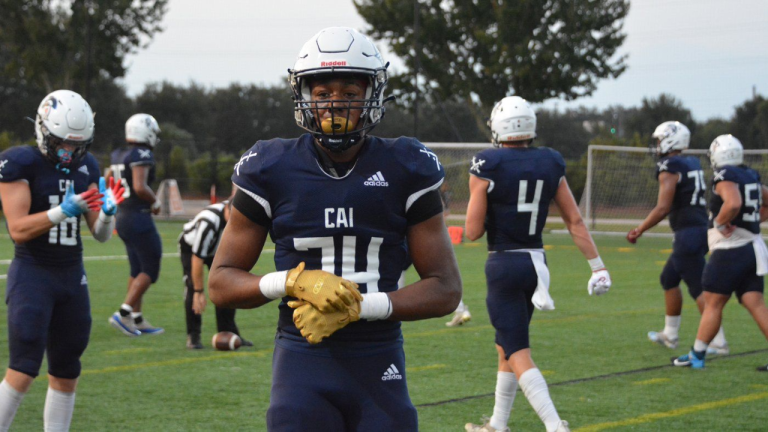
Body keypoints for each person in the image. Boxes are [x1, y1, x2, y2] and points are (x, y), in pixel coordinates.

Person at [208, 27, 461, 431]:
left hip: (378, 357)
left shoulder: (406, 165)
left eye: (349, 93)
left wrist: (359, 307)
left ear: (372, 95)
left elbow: (445, 288)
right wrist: (291, 282)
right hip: (301, 360)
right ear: (304, 97)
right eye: (323, 93)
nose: (334, 104)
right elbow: (221, 283)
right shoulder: (270, 166)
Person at [463, 96, 611, 432]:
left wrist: (491, 201)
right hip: (536, 264)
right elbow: (575, 220)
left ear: (498, 128)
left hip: (504, 264)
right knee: (506, 345)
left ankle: (555, 425)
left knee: (517, 350)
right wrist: (598, 266)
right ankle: (497, 424)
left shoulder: (488, 163)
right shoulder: (550, 161)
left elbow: (472, 231)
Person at [0, 89, 124, 431]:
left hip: (71, 277)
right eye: (62, 143)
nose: (69, 151)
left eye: (76, 145)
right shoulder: (20, 162)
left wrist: (108, 215)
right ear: (43, 130)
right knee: (23, 369)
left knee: (67, 371)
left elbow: (100, 234)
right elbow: (18, 230)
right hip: (33, 274)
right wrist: (61, 211)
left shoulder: (87, 165)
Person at [626, 121, 728, 354]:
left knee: (698, 288)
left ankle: (718, 341)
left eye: (660, 140)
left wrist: (640, 229)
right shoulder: (691, 162)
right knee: (669, 279)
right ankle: (670, 334)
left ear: (670, 140)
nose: (657, 145)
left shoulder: (669, 166)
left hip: (688, 234)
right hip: (699, 229)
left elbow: (663, 207)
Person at [674, 135, 768, 370]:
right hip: (751, 249)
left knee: (713, 303)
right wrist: (754, 221)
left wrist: (719, 223)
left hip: (730, 250)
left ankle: (697, 355)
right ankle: (698, 353)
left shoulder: (725, 175)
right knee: (755, 303)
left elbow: (733, 203)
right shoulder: (749, 174)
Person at [107, 114, 164, 336]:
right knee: (150, 268)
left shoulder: (118, 154)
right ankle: (123, 313)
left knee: (137, 268)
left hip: (123, 215)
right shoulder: (141, 154)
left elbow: (110, 180)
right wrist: (155, 202)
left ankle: (137, 319)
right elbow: (140, 187)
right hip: (138, 216)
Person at [179, 198, 252, 349]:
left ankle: (228, 332)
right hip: (192, 249)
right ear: (226, 210)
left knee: (227, 285)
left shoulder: (238, 215)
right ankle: (193, 336)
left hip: (217, 249)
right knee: (193, 287)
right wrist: (199, 291)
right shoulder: (209, 222)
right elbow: (197, 258)